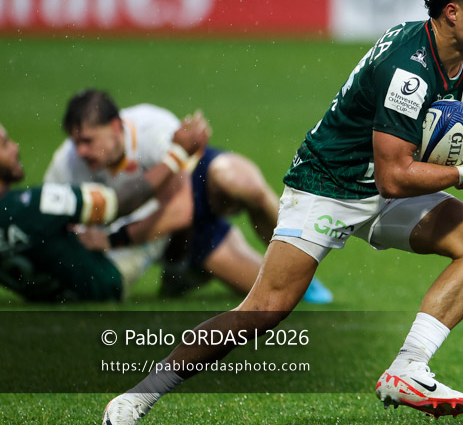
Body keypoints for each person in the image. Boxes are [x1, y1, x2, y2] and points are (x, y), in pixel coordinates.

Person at [98, 0, 463, 425]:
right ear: (451, 13)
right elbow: (395, 177)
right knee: (263, 311)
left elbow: (437, 120)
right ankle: (134, 399)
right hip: (327, 186)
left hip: (378, 185)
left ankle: (407, 368)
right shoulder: (409, 70)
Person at [45, 90, 333, 303]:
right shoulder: (67, 162)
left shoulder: (150, 127)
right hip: (166, 231)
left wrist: (111, 239)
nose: (81, 151)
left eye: (88, 141)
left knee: (246, 184)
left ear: (117, 127)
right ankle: (185, 271)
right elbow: (49, 217)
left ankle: (297, 260)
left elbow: (182, 208)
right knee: (271, 293)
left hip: (195, 189)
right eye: (75, 142)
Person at [0, 116, 209, 302]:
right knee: (174, 208)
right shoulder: (34, 204)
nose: (15, 147)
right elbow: (115, 204)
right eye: (4, 144)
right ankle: (181, 272)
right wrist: (177, 154)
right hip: (105, 280)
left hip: (48, 295)